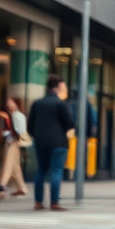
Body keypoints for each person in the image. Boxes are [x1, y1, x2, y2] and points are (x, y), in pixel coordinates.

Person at [27, 75, 76, 211]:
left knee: (41, 170)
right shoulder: (61, 104)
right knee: (56, 171)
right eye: (63, 86)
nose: (64, 89)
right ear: (58, 87)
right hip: (58, 143)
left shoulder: (37, 103)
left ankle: (38, 202)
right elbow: (70, 124)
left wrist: (37, 136)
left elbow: (30, 125)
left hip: (41, 142)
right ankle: (54, 202)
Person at [0, 97, 29, 197]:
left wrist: (6, 133)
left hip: (13, 142)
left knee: (8, 164)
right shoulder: (13, 115)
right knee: (15, 166)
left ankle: (1, 185)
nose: (7, 104)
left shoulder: (17, 115)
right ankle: (22, 187)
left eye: (10, 102)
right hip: (12, 141)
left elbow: (20, 131)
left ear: (15, 104)